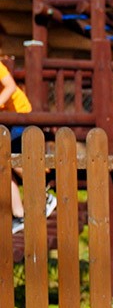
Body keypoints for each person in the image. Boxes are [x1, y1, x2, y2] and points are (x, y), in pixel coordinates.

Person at [3, 61, 55, 234]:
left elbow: (10, 86)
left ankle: (43, 196)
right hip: (7, 119)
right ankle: (19, 214)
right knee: (4, 164)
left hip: (20, 115)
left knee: (9, 158)